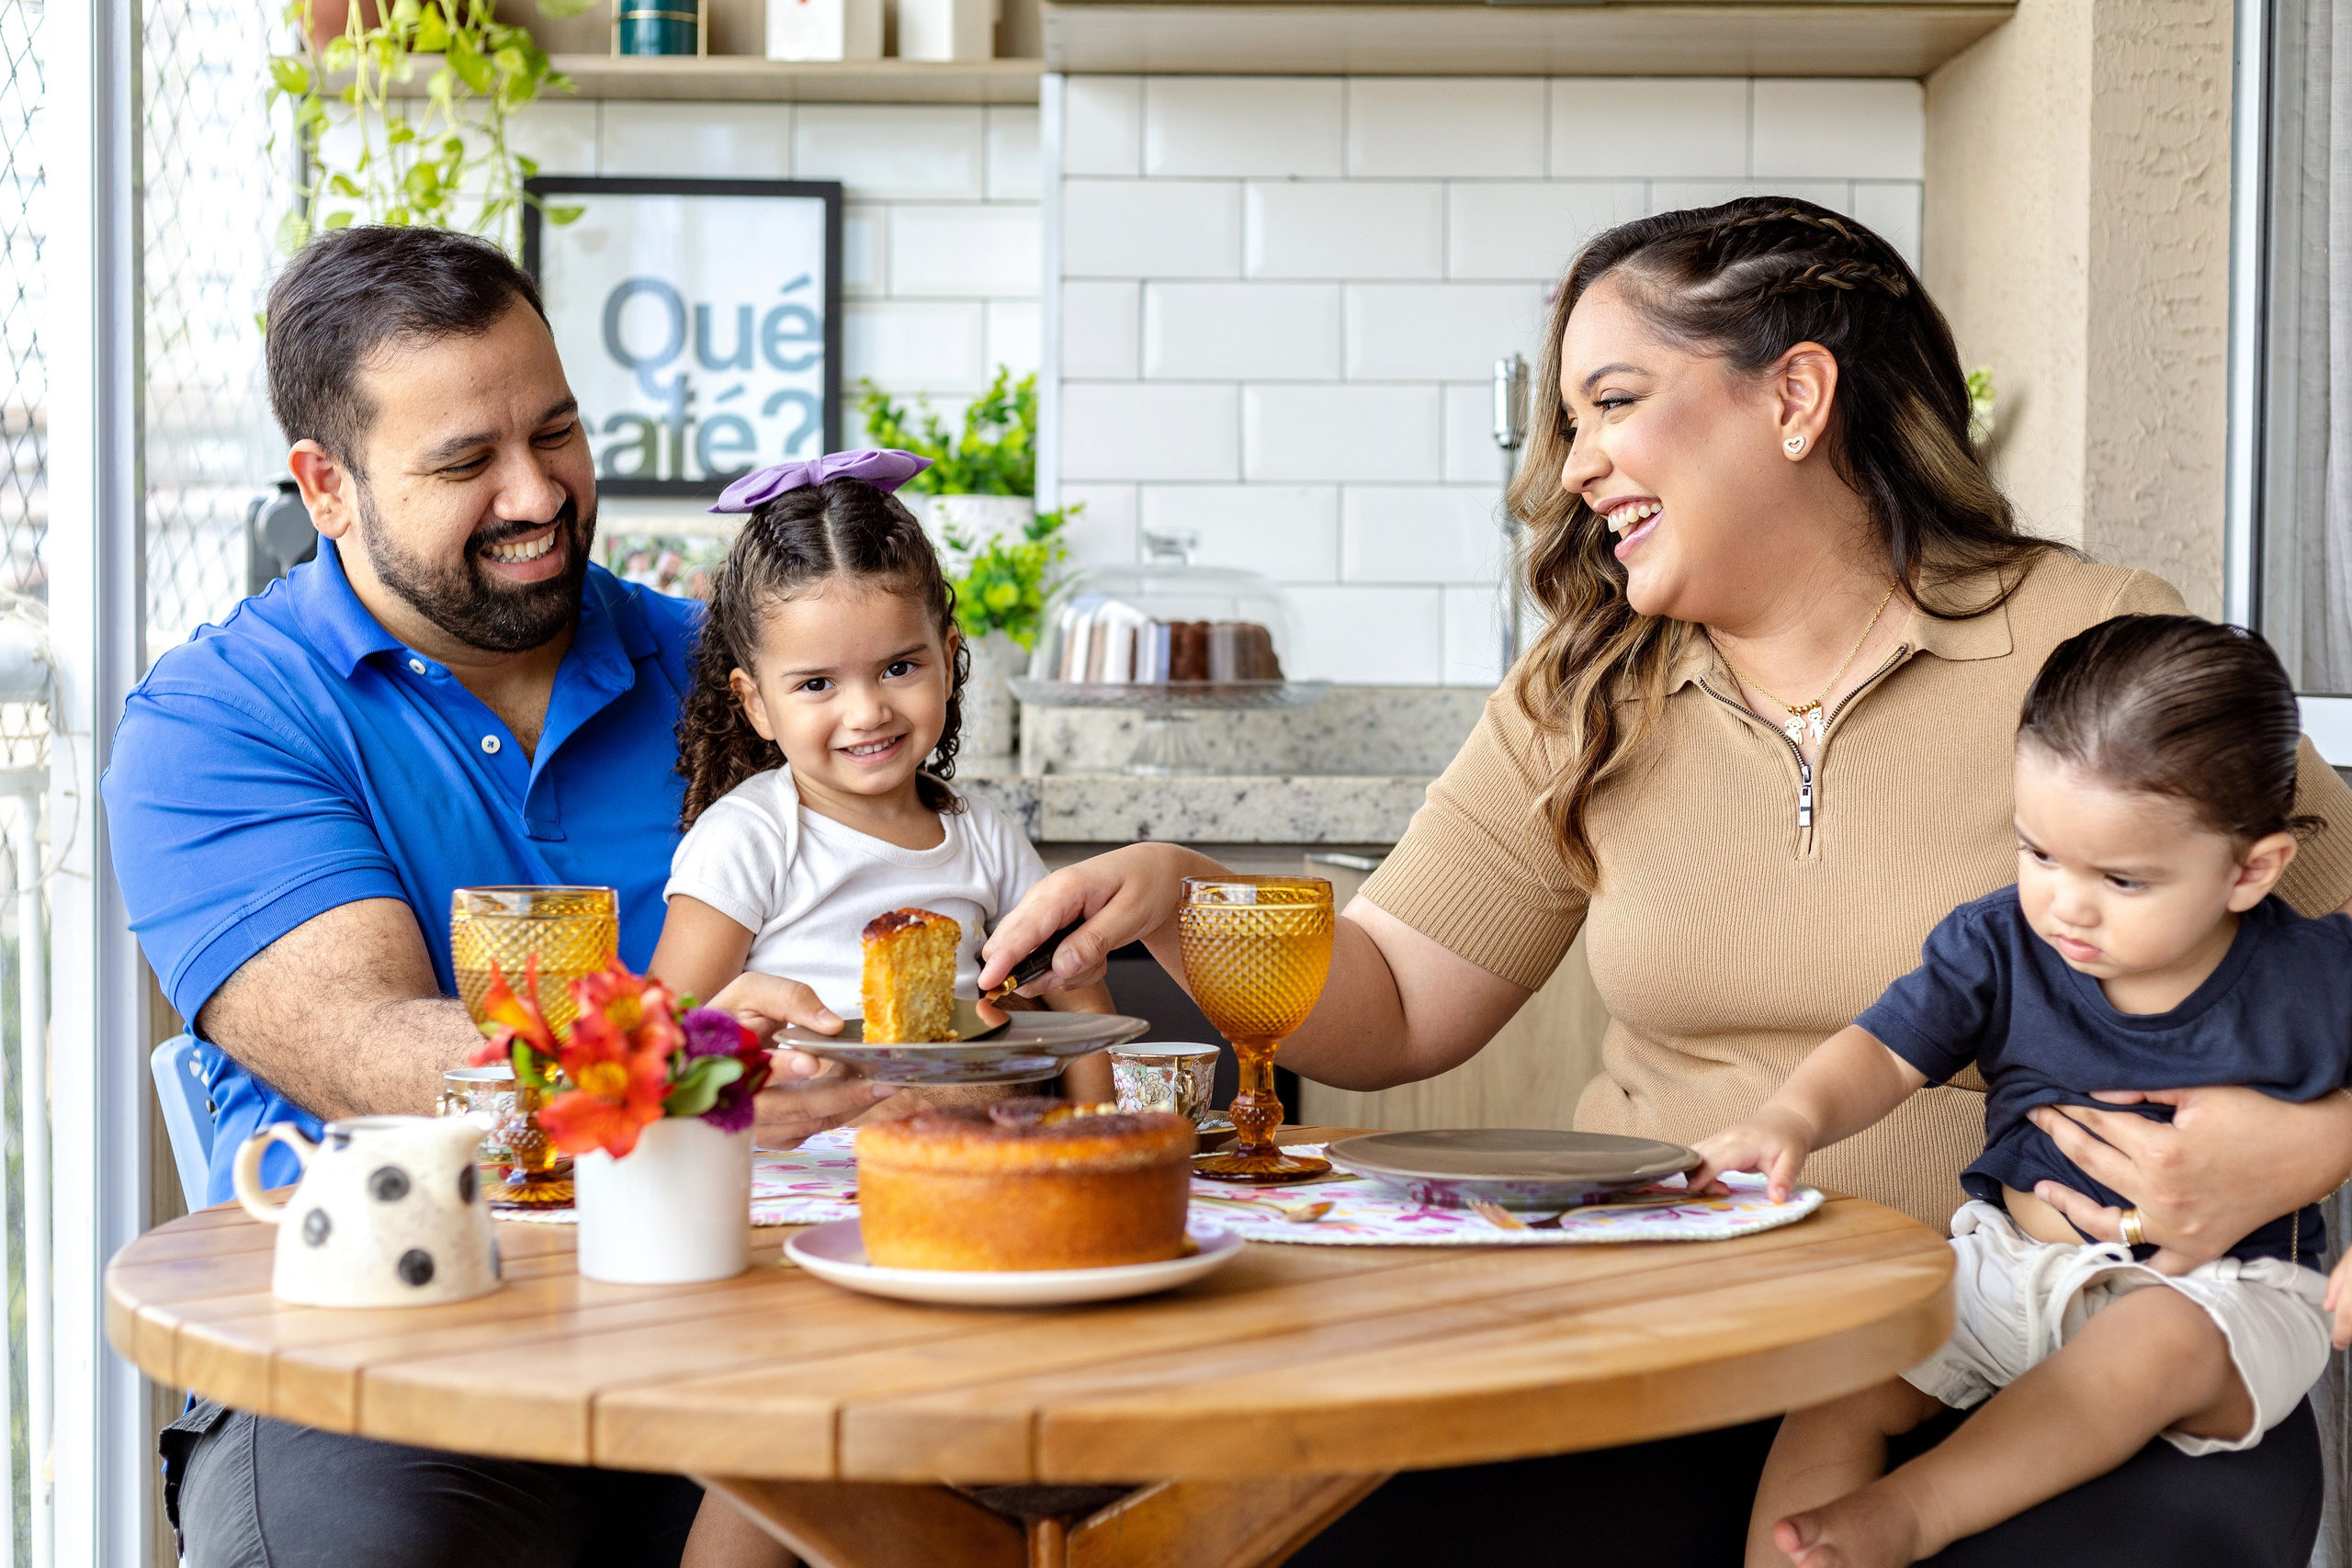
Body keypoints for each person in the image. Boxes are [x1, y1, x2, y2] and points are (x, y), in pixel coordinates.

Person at [978, 197, 2352, 1564]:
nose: (1576, 466)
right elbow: (1396, 998)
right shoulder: (1585, 690)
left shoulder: (2097, 647)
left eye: (1613, 402)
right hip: (1663, 1350)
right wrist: (1191, 900)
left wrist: (2309, 1147)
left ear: (1795, 398)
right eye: (1570, 422)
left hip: (2068, 1358)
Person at [102, 226, 891, 1568]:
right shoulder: (221, 721)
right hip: (382, 1331)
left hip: (750, 1307)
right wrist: (681, 1067)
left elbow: (898, 934)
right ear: (327, 486)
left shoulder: (740, 680)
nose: (538, 493)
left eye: (557, 433)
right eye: (466, 461)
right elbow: (368, 1044)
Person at [1690, 616, 2350, 1566]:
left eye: (2121, 879)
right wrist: (1790, 1115)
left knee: (2148, 1348)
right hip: (2008, 1266)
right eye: (2038, 853)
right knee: (1850, 1367)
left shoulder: (2315, 977)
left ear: (2250, 871)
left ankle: (1911, 1514)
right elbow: (1883, 1050)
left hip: (2221, 1297)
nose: (2065, 904)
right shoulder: (2001, 944)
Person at [648, 451, 1114, 1567]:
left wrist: (1104, 1135)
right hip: (796, 1198)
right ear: (755, 704)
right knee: (787, 1449)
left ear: (948, 659)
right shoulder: (753, 836)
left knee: (966, 1440)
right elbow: (655, 1037)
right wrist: (730, 1052)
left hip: (966, 1193)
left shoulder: (981, 833)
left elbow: (1076, 989)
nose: (866, 711)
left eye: (899, 666)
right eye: (816, 684)